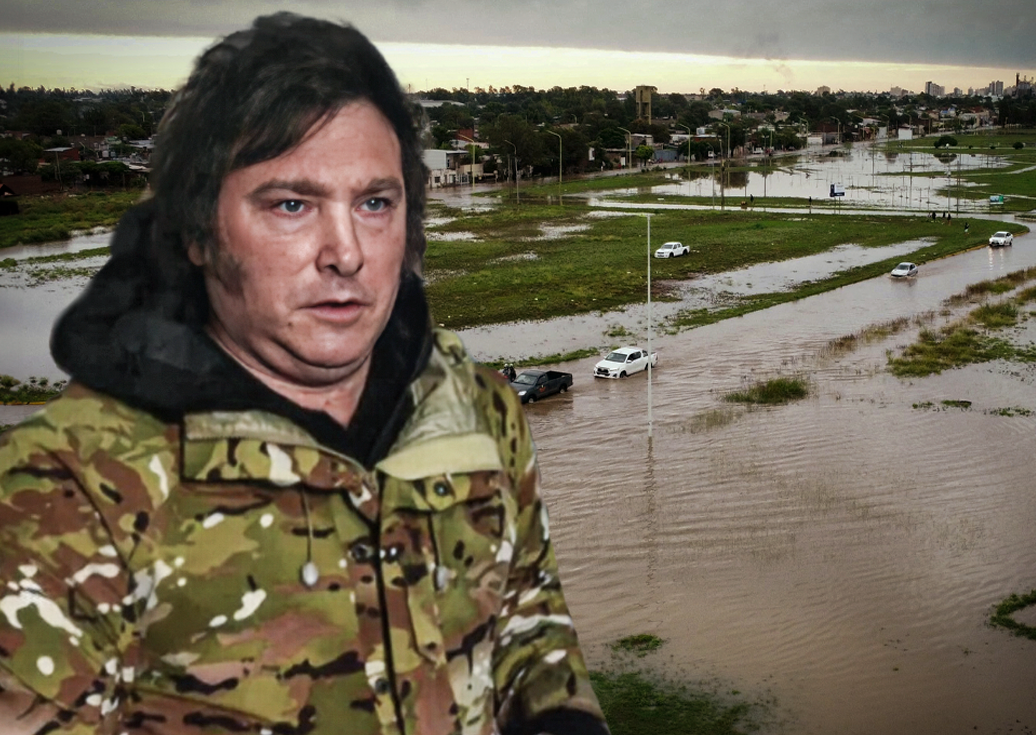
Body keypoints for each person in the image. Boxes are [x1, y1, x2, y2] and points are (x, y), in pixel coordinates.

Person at [0, 13, 608, 735]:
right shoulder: (65, 488)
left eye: (375, 203)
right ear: (196, 231)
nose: (345, 252)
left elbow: (528, 623)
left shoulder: (477, 411)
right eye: (292, 204)